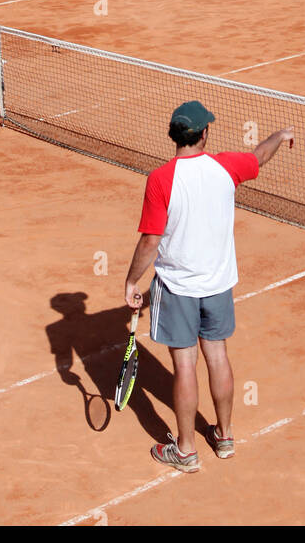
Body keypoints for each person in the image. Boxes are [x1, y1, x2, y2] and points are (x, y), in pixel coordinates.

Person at [124, 99, 293, 472]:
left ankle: (185, 450)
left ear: (175, 135)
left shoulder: (161, 179)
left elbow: (151, 241)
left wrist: (133, 280)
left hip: (178, 288)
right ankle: (225, 435)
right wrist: (280, 135)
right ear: (204, 133)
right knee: (217, 355)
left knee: (185, 367)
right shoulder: (226, 166)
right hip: (218, 284)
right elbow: (260, 156)